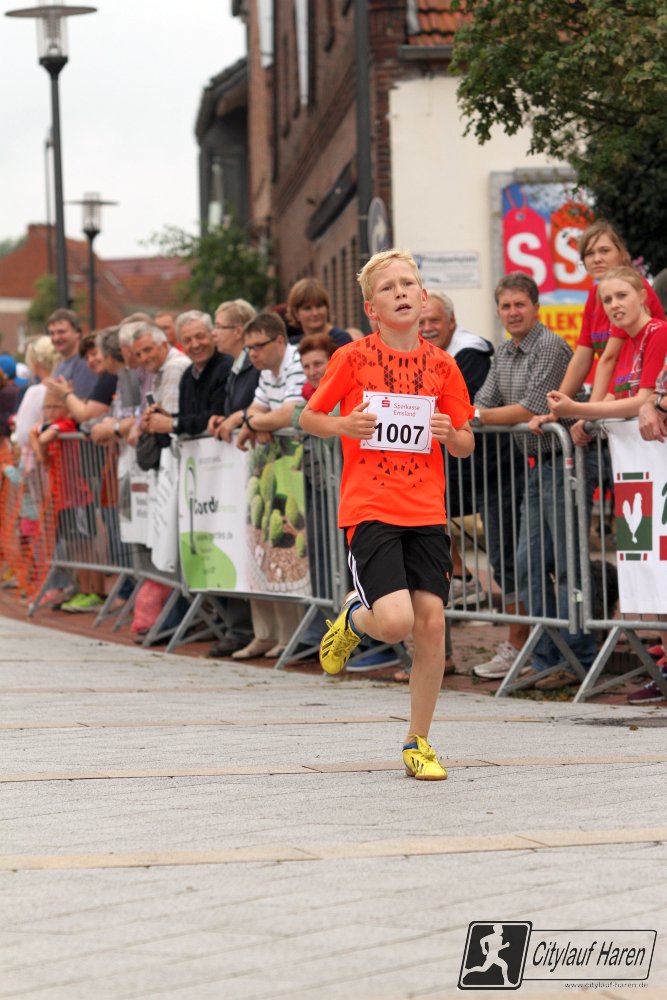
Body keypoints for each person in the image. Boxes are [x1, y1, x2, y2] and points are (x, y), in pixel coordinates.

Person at [300, 248, 474, 781]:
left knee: (431, 624)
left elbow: (465, 441)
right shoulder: (351, 358)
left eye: (407, 284)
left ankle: (418, 741)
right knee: (395, 622)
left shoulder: (443, 364)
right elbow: (309, 416)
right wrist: (343, 426)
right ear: (371, 308)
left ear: (423, 296)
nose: (400, 292)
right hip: (371, 505)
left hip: (426, 509)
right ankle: (354, 617)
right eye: (387, 287)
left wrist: (451, 435)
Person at [546, 267, 667, 705]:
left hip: (656, 466)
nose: (615, 305)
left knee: (660, 563)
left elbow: (643, 399)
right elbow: (622, 398)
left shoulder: (657, 332)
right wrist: (589, 415)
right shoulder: (629, 342)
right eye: (607, 300)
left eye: (622, 296)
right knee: (652, 566)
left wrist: (579, 409)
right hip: (641, 471)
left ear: (642, 296)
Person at [472, 271, 597, 690]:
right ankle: (546, 655)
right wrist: (478, 414)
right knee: (528, 564)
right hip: (537, 466)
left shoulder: (550, 347)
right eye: (505, 306)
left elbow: (529, 408)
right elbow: (485, 401)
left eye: (519, 304)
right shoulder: (505, 353)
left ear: (536, 307)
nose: (512, 312)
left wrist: (475, 417)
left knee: (567, 563)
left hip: (567, 461)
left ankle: (577, 656)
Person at [529, 221, 664, 445]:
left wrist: (585, 414)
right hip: (620, 405)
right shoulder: (595, 294)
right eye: (589, 253)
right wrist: (555, 411)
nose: (597, 259)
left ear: (621, 253)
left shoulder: (633, 293)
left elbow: (609, 359)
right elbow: (582, 358)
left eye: (604, 250)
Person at [229, 311, 307, 660]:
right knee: (264, 550)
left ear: (279, 341)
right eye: (248, 349)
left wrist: (254, 423)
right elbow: (256, 409)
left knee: (287, 552)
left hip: (299, 472)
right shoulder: (265, 371)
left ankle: (294, 637)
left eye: (258, 347)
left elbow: (289, 413)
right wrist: (253, 421)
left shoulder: (296, 361)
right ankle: (268, 634)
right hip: (275, 469)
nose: (252, 355)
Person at [205, 299, 259, 659]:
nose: (214, 334)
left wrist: (237, 418)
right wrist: (221, 419)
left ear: (238, 330)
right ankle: (256, 630)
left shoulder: (251, 365)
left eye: (219, 326)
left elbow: (256, 405)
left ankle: (255, 630)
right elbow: (236, 409)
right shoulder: (236, 367)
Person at [141, 311, 232, 438]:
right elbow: (187, 419)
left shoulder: (227, 367)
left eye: (200, 336)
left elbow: (216, 416)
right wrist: (164, 418)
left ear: (212, 335)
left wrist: (173, 423)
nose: (195, 344)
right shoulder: (187, 376)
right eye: (187, 340)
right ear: (181, 344)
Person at [286, 277, 352, 348]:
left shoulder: (342, 340)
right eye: (307, 308)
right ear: (296, 313)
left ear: (327, 307)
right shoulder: (291, 345)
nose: (315, 313)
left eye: (319, 306)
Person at [46, 309, 97, 399]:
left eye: (61, 332)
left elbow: (83, 402)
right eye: (52, 333)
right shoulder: (60, 362)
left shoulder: (85, 363)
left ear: (77, 333)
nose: (56, 338)